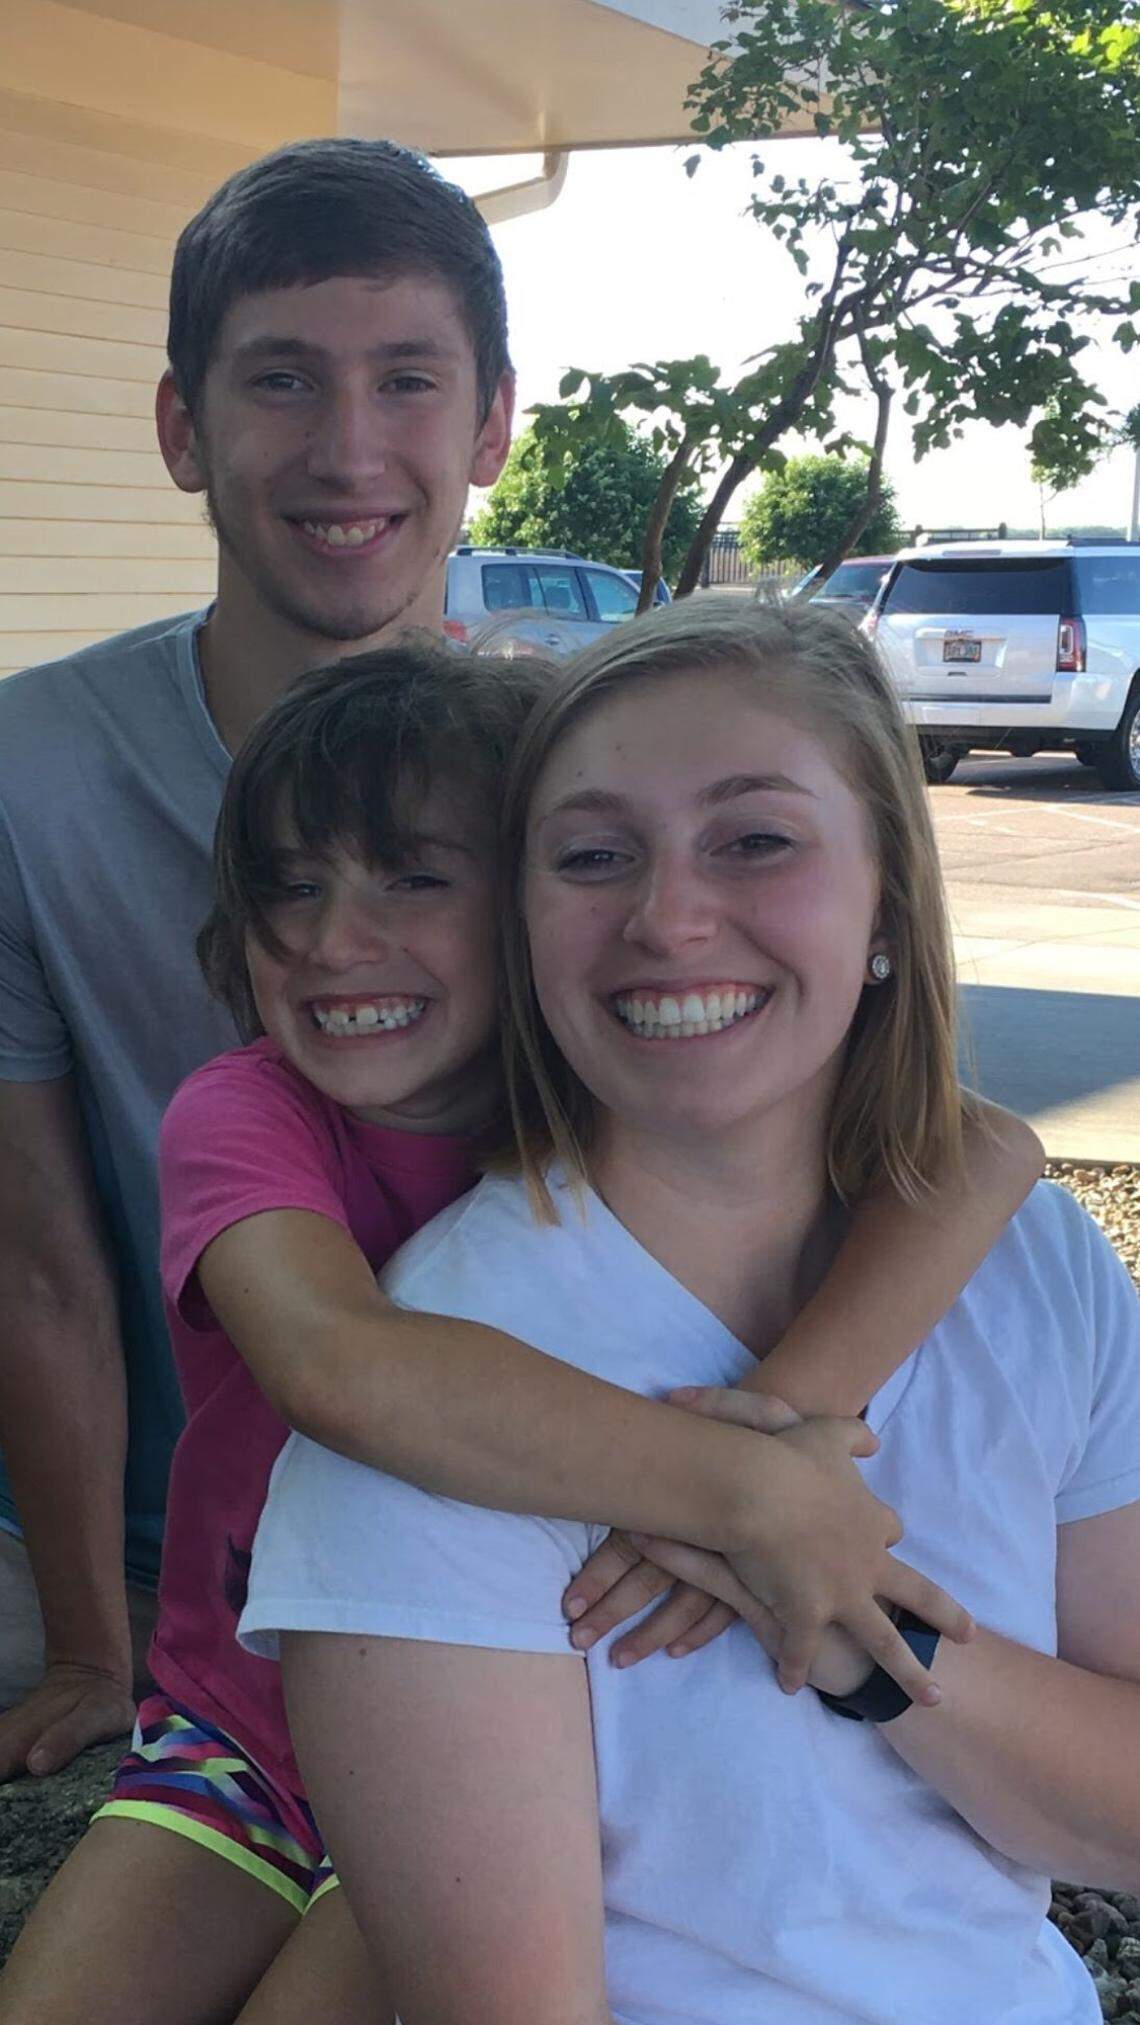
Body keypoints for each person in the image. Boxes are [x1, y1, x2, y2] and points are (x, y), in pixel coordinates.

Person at [0, 636, 1013, 2024]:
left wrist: (788, 1401)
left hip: (495, 1743)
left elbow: (987, 1148)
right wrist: (752, 1487)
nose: (328, 935)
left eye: (414, 873)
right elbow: (341, 1365)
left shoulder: (615, 1108)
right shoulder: (247, 1114)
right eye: (287, 885)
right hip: (240, 1731)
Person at [240, 598, 1140, 2024]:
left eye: (756, 839)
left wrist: (863, 1640)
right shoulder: (455, 1390)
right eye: (594, 856)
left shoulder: (1037, 1266)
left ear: (890, 900)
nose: (667, 917)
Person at [0, 135, 514, 1779]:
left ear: (493, 421)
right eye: (281, 379)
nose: (347, 448)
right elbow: (36, 1261)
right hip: (150, 1534)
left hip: (522, 1503)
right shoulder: (30, 770)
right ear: (181, 427)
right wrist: (97, 1644)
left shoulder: (584, 761)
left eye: (408, 380)